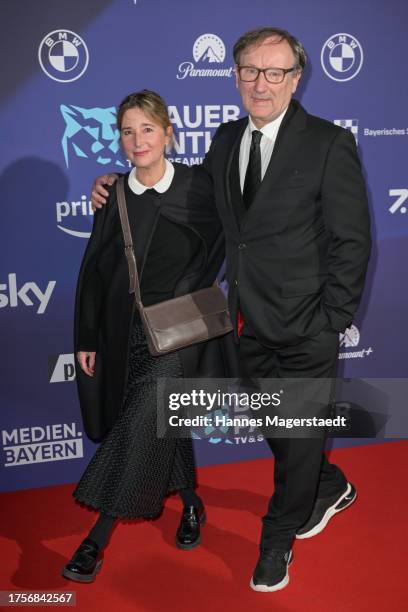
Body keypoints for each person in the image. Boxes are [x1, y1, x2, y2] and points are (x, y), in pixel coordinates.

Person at [91, 28, 371, 592]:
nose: (260, 83)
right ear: (236, 75)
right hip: (244, 321)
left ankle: (277, 536)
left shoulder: (328, 143)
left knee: (297, 426)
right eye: (249, 70)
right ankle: (324, 479)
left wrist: (332, 320)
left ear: (295, 79)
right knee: (282, 427)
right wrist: (118, 186)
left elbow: (353, 241)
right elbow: (188, 198)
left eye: (274, 72)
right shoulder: (224, 140)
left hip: (308, 323)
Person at [63, 89, 234, 584]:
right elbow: (95, 270)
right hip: (126, 334)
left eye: (148, 129)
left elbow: (240, 231)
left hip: (182, 335)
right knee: (161, 423)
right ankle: (194, 505)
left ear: (169, 133)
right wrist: (88, 336)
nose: (138, 140)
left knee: (141, 424)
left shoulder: (200, 185)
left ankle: (96, 537)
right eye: (128, 130)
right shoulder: (113, 194)